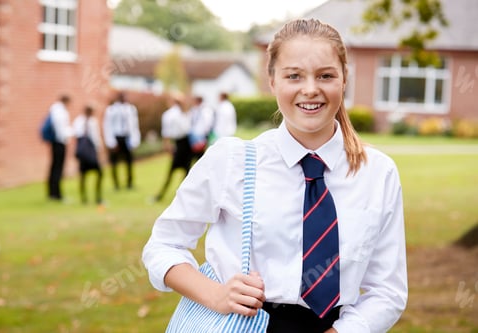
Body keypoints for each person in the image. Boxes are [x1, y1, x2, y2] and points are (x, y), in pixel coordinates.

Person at [143, 18, 407, 333]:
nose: (311, 89)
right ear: (272, 81)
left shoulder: (378, 173)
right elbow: (163, 246)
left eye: (325, 75)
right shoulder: (233, 161)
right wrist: (216, 295)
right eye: (293, 76)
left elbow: (387, 290)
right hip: (243, 323)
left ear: (344, 79)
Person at [154, 93, 193, 202]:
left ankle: (165, 195)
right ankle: (182, 195)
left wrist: (166, 145)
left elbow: (166, 132)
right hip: (185, 144)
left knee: (173, 171)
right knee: (186, 172)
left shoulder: (171, 114)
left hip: (181, 144)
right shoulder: (184, 113)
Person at [103, 92, 141, 190]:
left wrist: (135, 140)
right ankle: (116, 184)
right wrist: (111, 142)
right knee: (114, 163)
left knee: (129, 162)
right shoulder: (111, 110)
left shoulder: (131, 109)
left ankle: (129, 183)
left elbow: (134, 125)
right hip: (116, 137)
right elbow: (107, 126)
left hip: (127, 137)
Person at [73, 105, 103, 205]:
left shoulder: (79, 121)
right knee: (89, 174)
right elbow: (95, 138)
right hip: (88, 153)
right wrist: (98, 149)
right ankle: (89, 197)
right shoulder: (88, 122)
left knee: (86, 175)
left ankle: (91, 197)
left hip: (84, 153)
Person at [47, 94, 72, 201]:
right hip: (59, 142)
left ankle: (53, 193)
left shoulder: (55, 109)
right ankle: (56, 194)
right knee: (57, 168)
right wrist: (68, 135)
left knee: (55, 167)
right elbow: (60, 128)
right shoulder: (59, 110)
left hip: (56, 142)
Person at [189, 95, 214, 161]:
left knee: (202, 154)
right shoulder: (195, 109)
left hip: (202, 134)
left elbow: (208, 122)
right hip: (195, 134)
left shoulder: (206, 110)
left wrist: (206, 134)